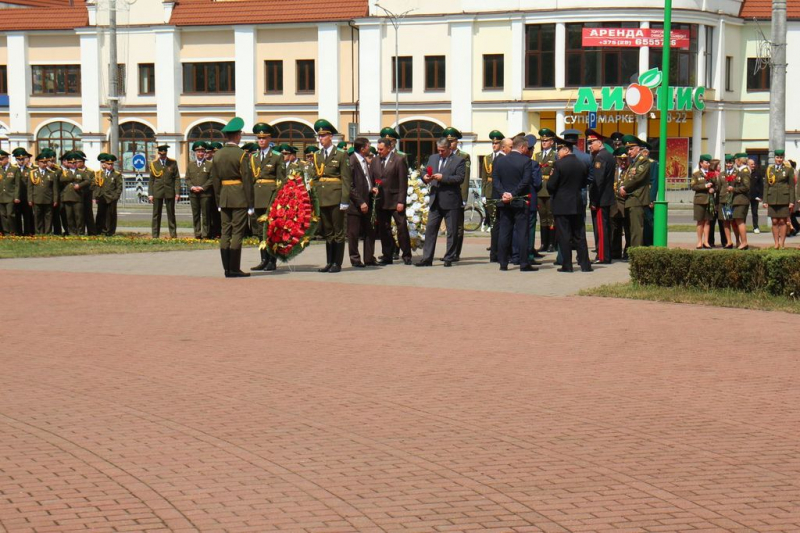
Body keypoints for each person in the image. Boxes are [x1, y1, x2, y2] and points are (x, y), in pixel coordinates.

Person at [211, 117, 254, 277]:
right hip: (239, 196)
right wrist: (250, 203)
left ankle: (227, 268)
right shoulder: (241, 155)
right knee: (237, 232)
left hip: (224, 195)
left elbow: (215, 180)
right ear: (237, 136)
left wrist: (218, 200)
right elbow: (247, 180)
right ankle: (235, 268)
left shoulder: (218, 154)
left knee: (225, 232)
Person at [415, 137, 465, 267]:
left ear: (449, 148)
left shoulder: (459, 160)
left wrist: (444, 178)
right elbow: (426, 170)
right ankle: (427, 258)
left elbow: (460, 178)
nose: (440, 153)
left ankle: (449, 257)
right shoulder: (433, 158)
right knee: (430, 230)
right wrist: (424, 176)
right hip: (435, 199)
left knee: (452, 231)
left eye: (443, 150)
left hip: (451, 200)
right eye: (439, 150)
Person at [311, 119, 351, 273]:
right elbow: (315, 177)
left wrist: (345, 200)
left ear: (330, 136)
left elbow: (346, 179)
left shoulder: (340, 155)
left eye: (323, 136)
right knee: (327, 231)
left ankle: (337, 263)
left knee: (338, 231)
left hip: (336, 197)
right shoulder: (317, 155)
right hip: (322, 197)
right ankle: (329, 261)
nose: (320, 139)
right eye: (319, 136)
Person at [548, 137, 591, 273]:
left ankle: (567, 265)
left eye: (559, 149)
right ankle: (585, 265)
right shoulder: (581, 163)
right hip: (577, 203)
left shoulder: (559, 165)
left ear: (566, 150)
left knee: (564, 235)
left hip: (562, 205)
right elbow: (584, 183)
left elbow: (551, 185)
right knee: (580, 235)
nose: (557, 152)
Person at [493, 135, 535, 272]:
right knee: (522, 232)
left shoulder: (500, 161)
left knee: (505, 232)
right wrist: (513, 194)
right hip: (520, 201)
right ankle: (524, 263)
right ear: (522, 147)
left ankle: (503, 263)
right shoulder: (526, 161)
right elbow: (525, 180)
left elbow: (495, 180)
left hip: (504, 201)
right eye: (526, 148)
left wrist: (504, 193)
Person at [248, 122, 285, 271]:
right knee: (259, 230)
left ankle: (272, 260)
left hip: (271, 196)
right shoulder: (253, 157)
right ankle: (263, 259)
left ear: (270, 139)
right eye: (259, 138)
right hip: (257, 196)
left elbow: (281, 179)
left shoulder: (276, 156)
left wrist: (279, 200)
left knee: (271, 230)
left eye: (264, 138)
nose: (261, 141)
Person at [372, 136, 412, 265]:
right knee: (384, 229)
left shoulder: (399, 160)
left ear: (389, 148)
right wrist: (373, 188)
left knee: (401, 228)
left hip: (395, 200)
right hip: (381, 200)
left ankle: (406, 254)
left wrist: (401, 201)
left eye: (381, 149)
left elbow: (403, 182)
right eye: (378, 149)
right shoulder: (375, 160)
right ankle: (387, 255)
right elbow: (373, 178)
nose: (379, 151)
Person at [346, 137, 377, 267]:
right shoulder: (352, 161)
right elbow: (349, 185)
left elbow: (366, 179)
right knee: (353, 233)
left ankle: (369, 258)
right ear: (362, 148)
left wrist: (372, 188)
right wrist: (360, 202)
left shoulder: (364, 160)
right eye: (368, 146)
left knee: (370, 231)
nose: (369, 148)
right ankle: (355, 259)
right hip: (355, 204)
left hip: (368, 199)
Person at [586, 129, 615, 264]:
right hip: (605, 198)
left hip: (600, 199)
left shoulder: (600, 157)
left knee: (601, 229)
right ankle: (604, 254)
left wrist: (594, 200)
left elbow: (598, 181)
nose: (589, 146)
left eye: (591, 143)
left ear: (599, 142)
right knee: (604, 227)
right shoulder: (608, 155)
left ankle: (602, 256)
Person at [618, 135, 651, 248]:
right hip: (631, 199)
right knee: (632, 229)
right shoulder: (633, 162)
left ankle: (636, 255)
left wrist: (624, 187)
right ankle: (633, 253)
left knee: (637, 230)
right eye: (627, 149)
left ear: (638, 149)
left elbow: (637, 178)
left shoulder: (643, 161)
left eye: (631, 149)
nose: (628, 151)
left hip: (637, 198)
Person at [444, 127, 471, 262]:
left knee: (458, 226)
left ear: (457, 142)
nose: (450, 143)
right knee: (449, 226)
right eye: (448, 141)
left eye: (453, 141)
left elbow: (465, 179)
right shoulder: (443, 155)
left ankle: (455, 253)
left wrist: (464, 197)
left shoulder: (463, 156)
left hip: (458, 194)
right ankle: (449, 251)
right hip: (445, 195)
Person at [763, 149, 796, 249]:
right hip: (772, 198)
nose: (779, 159)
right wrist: (765, 200)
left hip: (784, 198)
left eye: (781, 158)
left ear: (783, 158)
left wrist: (791, 201)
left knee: (782, 221)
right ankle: (776, 243)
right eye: (777, 157)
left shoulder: (788, 170)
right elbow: (766, 186)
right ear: (775, 158)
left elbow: (791, 186)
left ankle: (782, 243)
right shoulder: (770, 169)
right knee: (774, 221)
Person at [481, 130, 504, 262]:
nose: (494, 145)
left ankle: (497, 249)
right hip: (489, 191)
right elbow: (484, 177)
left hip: (499, 191)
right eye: (493, 143)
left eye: (496, 143)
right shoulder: (487, 158)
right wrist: (483, 194)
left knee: (498, 222)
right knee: (492, 221)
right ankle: (493, 248)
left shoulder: (503, 157)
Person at [148, 144, 180, 239]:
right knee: (156, 214)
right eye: (161, 154)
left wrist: (177, 192)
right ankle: (155, 235)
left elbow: (177, 178)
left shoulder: (172, 163)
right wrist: (150, 194)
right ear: (158, 154)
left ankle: (173, 234)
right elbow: (151, 180)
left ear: (166, 153)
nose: (162, 156)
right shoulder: (154, 164)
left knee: (171, 214)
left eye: (164, 154)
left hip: (169, 191)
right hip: (157, 192)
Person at [534, 128, 557, 252]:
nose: (544, 142)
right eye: (542, 140)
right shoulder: (537, 155)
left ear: (552, 142)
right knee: (542, 216)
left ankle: (552, 244)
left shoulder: (555, 155)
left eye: (546, 140)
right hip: (539, 189)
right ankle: (544, 243)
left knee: (551, 216)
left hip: (549, 189)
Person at [185, 141, 213, 239]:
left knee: (205, 215)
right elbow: (187, 178)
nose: (200, 153)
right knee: (195, 215)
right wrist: (192, 187)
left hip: (205, 194)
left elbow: (211, 178)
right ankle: (197, 233)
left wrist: (202, 187)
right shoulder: (190, 165)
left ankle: (206, 234)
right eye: (198, 151)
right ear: (195, 153)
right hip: (193, 194)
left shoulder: (209, 165)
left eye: (202, 151)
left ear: (205, 153)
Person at [59, 152, 91, 235]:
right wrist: (73, 177)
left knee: (79, 216)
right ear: (68, 163)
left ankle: (80, 232)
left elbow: (88, 181)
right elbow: (61, 179)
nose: (73, 164)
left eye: (74, 163)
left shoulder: (81, 172)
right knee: (69, 216)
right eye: (71, 163)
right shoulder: (64, 172)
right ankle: (72, 232)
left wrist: (79, 185)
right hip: (67, 197)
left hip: (77, 197)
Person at [27, 152, 58, 234]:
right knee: (37, 216)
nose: (44, 164)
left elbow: (55, 188)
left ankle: (47, 232)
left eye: (46, 162)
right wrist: (30, 199)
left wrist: (55, 200)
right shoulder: (33, 173)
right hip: (37, 198)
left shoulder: (51, 173)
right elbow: (30, 188)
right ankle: (38, 232)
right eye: (42, 162)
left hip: (48, 198)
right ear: (38, 163)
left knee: (48, 216)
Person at [93, 153, 124, 236]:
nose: (110, 166)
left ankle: (110, 231)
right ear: (105, 164)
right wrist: (96, 196)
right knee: (100, 214)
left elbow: (119, 187)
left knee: (111, 215)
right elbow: (96, 186)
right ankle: (100, 230)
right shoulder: (100, 174)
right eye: (108, 164)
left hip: (111, 197)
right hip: (101, 197)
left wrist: (115, 197)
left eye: (111, 164)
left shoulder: (116, 174)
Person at [690, 154, 715, 249]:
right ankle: (699, 241)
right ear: (701, 163)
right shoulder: (696, 174)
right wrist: (705, 186)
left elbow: (716, 185)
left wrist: (713, 189)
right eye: (706, 162)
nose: (708, 164)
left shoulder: (712, 174)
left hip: (709, 200)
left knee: (707, 221)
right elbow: (693, 186)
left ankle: (706, 241)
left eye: (709, 163)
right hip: (700, 200)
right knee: (700, 221)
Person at [610, 146, 629, 260]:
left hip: (626, 204)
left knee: (628, 230)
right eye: (620, 159)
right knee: (615, 230)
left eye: (625, 159)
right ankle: (615, 251)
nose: (623, 162)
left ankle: (627, 252)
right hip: (614, 205)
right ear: (616, 159)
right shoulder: (614, 171)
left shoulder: (631, 171)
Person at [73, 151, 97, 236]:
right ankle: (80, 232)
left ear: (83, 162)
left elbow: (93, 184)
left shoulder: (90, 172)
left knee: (88, 214)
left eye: (79, 162)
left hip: (87, 195)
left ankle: (92, 232)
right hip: (77, 196)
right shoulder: (74, 171)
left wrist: (92, 196)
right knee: (79, 215)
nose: (77, 163)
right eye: (76, 162)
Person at [730, 152, 751, 250]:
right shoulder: (739, 171)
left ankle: (744, 242)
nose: (735, 162)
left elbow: (746, 187)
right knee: (737, 221)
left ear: (739, 160)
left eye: (735, 160)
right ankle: (742, 242)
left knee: (740, 221)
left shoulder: (745, 171)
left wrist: (733, 189)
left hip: (741, 200)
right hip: (737, 200)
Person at [12, 147, 34, 235]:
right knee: (17, 215)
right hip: (16, 197)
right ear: (16, 159)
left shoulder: (29, 170)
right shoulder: (12, 170)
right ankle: (18, 232)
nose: (21, 161)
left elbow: (30, 186)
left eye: (22, 159)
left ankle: (27, 232)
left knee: (27, 216)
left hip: (25, 197)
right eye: (19, 159)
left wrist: (30, 199)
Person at [715, 155, 735, 248]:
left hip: (733, 200)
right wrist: (717, 203)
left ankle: (738, 241)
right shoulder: (721, 174)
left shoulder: (737, 173)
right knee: (725, 221)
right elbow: (719, 188)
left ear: (733, 163)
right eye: (727, 163)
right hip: (723, 200)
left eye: (730, 163)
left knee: (733, 221)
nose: (729, 164)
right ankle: (729, 241)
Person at [0, 149, 21, 235]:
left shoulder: (14, 169)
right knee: (2, 215)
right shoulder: (0, 169)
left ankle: (13, 231)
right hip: (1, 196)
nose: (0, 161)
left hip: (10, 196)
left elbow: (17, 185)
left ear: (7, 159)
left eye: (1, 159)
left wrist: (16, 197)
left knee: (10, 214)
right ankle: (6, 231)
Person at [641, 146, 659, 246]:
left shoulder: (652, 163)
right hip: (639, 196)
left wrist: (651, 199)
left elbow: (654, 182)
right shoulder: (637, 163)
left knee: (648, 220)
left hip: (647, 196)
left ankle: (649, 242)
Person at [206, 141, 223, 239]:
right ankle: (212, 231)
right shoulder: (208, 163)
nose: (215, 154)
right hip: (211, 190)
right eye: (214, 152)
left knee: (220, 213)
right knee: (211, 212)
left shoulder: (222, 162)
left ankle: (219, 231)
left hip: (221, 190)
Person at [748, 158, 764, 234]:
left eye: (754, 164)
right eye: (751, 164)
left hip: (755, 196)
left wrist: (761, 196)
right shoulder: (745, 172)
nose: (753, 165)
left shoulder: (758, 173)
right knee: (743, 212)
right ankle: (742, 226)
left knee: (755, 212)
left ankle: (756, 227)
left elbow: (761, 185)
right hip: (746, 196)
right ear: (748, 165)